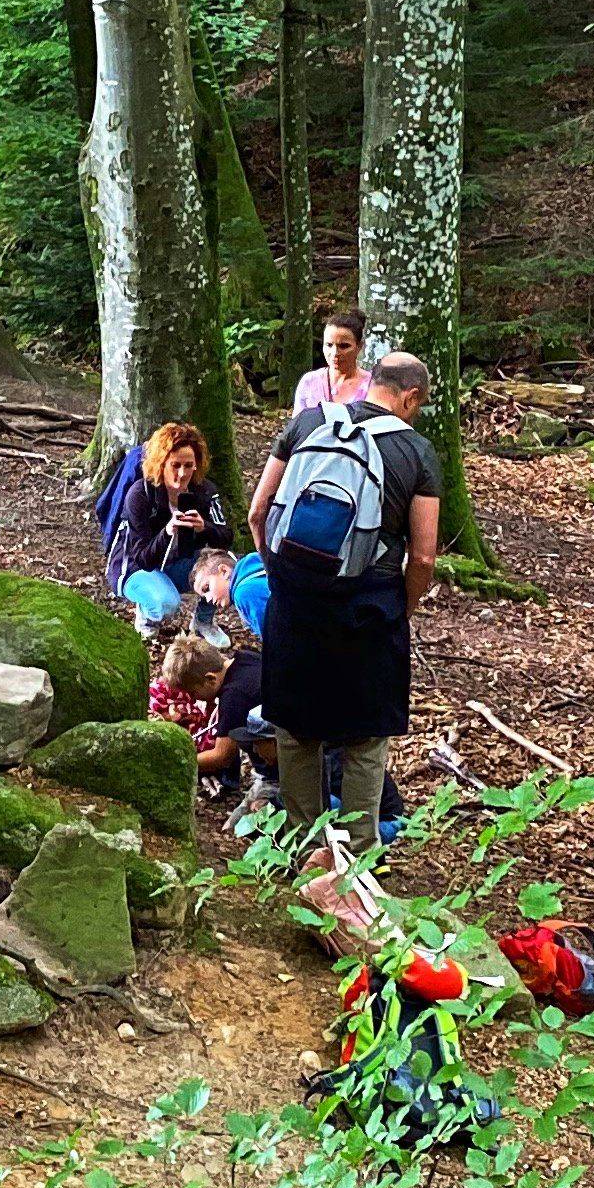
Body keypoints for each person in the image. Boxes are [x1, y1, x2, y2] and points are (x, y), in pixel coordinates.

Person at [252, 352, 445, 833]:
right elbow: (422, 557)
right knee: (364, 739)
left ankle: (301, 848)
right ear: (411, 397)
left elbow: (258, 513)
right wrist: (404, 607)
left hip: (295, 603)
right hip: (370, 610)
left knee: (297, 732)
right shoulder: (418, 452)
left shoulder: (306, 424)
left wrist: (283, 577)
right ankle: (356, 858)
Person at [103, 421, 237, 633]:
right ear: (162, 465)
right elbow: (142, 558)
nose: (182, 474)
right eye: (175, 465)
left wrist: (205, 527)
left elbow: (227, 537)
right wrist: (167, 531)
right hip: (136, 568)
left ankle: (203, 622)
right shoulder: (140, 495)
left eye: (189, 465)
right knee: (166, 604)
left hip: (179, 560)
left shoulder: (205, 491)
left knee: (229, 565)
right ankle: (147, 613)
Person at [288, 310, 372, 416]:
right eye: (329, 345)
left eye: (344, 346)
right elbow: (298, 427)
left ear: (359, 346)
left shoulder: (372, 386)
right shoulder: (309, 382)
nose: (335, 353)